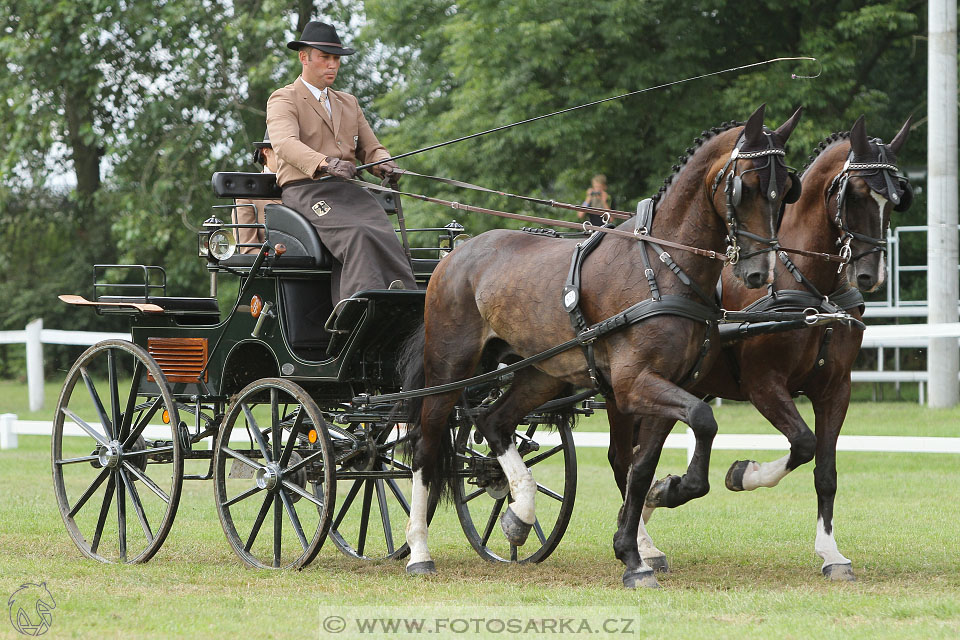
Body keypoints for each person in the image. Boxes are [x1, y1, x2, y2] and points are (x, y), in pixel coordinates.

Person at [265, 20, 416, 304]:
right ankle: (357, 311)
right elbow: (285, 144)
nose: (332, 65)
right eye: (324, 57)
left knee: (383, 233)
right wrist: (325, 163)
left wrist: (384, 163)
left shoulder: (348, 103)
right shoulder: (284, 99)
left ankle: (402, 304)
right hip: (306, 190)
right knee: (357, 234)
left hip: (348, 191)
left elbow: (372, 149)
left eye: (335, 59)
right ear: (304, 57)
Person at [233, 132, 281, 254]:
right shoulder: (249, 196)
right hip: (274, 269)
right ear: (266, 151)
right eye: (283, 150)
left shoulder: (308, 187)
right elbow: (247, 248)